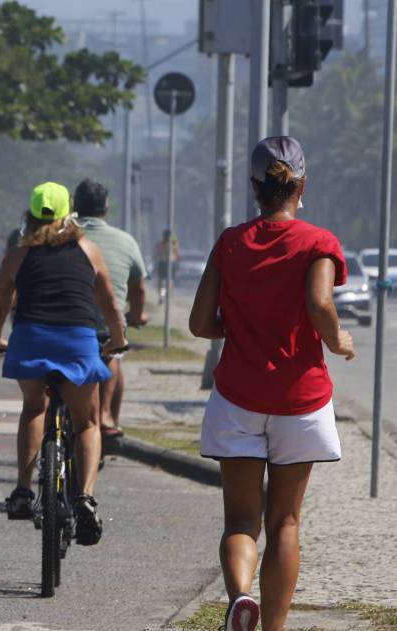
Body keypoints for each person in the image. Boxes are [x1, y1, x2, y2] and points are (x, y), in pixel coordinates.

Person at [189, 137, 353, 631]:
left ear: (255, 188)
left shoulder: (231, 242)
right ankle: (274, 629)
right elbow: (320, 304)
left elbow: (200, 322)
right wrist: (336, 337)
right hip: (299, 400)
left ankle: (241, 596)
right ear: (301, 185)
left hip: (238, 396)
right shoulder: (318, 242)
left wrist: (233, 329)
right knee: (286, 522)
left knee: (241, 522)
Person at [0, 182, 126, 546]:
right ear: (69, 214)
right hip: (78, 342)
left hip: (31, 338)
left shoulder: (17, 255)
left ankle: (22, 491)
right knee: (88, 421)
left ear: (30, 215)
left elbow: (1, 307)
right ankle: (85, 498)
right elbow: (109, 304)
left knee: (34, 407)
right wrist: (118, 339)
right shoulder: (87, 249)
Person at [73, 179, 148, 447]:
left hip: (62, 320)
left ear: (74, 206)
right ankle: (106, 416)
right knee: (114, 349)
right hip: (104, 324)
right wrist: (137, 316)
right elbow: (138, 288)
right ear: (106, 207)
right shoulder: (125, 240)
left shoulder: (61, 236)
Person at [154, 229, 180, 304]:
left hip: (171, 263)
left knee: (169, 281)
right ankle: (162, 296)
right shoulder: (160, 244)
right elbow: (156, 254)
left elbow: (177, 254)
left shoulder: (174, 244)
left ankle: (166, 294)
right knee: (161, 282)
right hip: (163, 263)